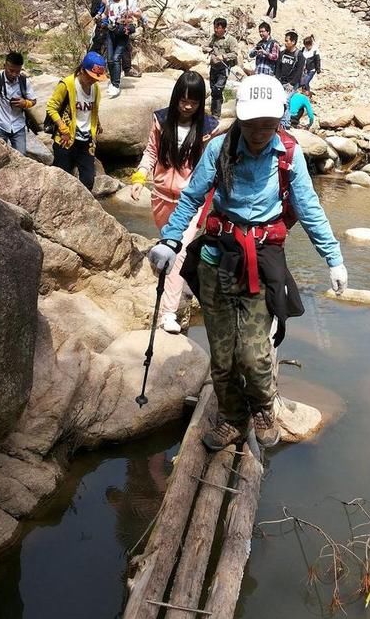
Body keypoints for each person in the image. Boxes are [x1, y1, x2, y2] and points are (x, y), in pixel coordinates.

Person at [147, 74, 348, 450]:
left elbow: (309, 208)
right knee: (222, 356)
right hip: (216, 257)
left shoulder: (288, 153)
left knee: (254, 355)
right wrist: (171, 240)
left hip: (261, 259)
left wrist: (333, 258)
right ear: (239, 119)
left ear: (280, 121)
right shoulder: (219, 148)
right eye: (253, 125)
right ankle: (233, 419)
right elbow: (192, 198)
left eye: (268, 125)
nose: (259, 133)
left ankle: (264, 406)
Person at [130, 72, 218, 333]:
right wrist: (139, 177)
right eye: (183, 100)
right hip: (160, 197)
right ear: (176, 97)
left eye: (193, 101)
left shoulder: (208, 128)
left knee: (178, 252)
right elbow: (151, 152)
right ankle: (172, 281)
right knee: (169, 250)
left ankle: (168, 314)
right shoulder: (161, 119)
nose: (187, 106)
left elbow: (210, 166)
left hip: (190, 201)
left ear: (201, 102)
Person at [46, 52, 106, 191]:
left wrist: (98, 124)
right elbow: (51, 107)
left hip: (86, 139)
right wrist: (62, 128)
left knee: (88, 180)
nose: (93, 80)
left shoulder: (95, 88)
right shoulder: (67, 84)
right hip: (65, 139)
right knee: (62, 180)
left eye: (96, 78)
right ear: (82, 70)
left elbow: (92, 110)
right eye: (91, 77)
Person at [104, 0, 141, 98]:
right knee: (109, 59)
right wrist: (101, 18)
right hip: (111, 31)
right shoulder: (109, 0)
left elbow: (139, 14)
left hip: (123, 31)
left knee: (116, 58)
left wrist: (132, 13)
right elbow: (106, 13)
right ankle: (113, 81)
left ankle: (115, 84)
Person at [204, 17, 239, 117]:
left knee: (217, 89)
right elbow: (204, 46)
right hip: (213, 68)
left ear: (224, 28)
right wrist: (209, 50)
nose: (215, 30)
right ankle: (214, 111)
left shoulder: (231, 40)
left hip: (223, 69)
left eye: (218, 28)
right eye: (214, 27)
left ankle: (216, 115)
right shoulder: (213, 37)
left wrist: (223, 56)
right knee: (213, 90)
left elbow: (235, 53)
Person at [275, 31, 305, 128]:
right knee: (278, 100)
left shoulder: (299, 56)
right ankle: (279, 121)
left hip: (291, 84)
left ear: (293, 42)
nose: (285, 42)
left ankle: (285, 124)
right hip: (281, 82)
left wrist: (292, 84)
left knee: (286, 100)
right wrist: (277, 78)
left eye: (287, 41)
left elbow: (299, 72)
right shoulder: (282, 53)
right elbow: (278, 67)